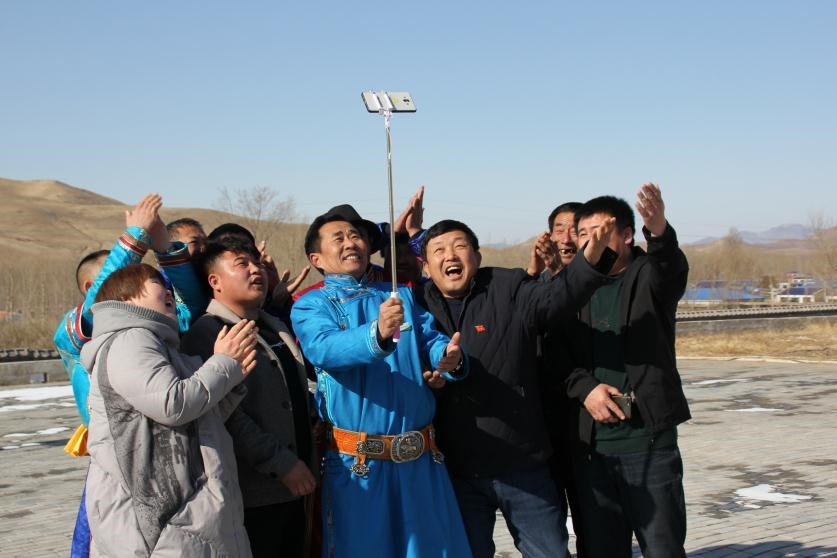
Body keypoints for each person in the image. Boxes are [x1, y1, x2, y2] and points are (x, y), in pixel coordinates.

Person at [413, 216, 616, 558]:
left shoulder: (508, 287)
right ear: (426, 266)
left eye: (460, 246)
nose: (451, 256)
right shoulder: (416, 304)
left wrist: (590, 261)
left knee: (549, 553)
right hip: (455, 470)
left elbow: (558, 297)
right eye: (439, 250)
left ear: (477, 257)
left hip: (522, 464)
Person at [290, 204, 473, 558]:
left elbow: (429, 338)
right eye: (339, 238)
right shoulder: (311, 305)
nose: (351, 243)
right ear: (317, 258)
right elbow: (325, 348)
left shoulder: (398, 295)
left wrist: (448, 356)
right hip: (359, 465)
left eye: (356, 236)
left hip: (421, 461)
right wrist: (377, 333)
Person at [53, 194, 202, 557]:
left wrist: (165, 249)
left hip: (175, 462)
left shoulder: (155, 331)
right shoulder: (75, 333)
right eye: (123, 282)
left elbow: (192, 306)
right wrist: (134, 238)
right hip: (121, 470)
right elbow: (97, 310)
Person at [79, 263, 258, 557]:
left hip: (186, 513)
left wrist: (231, 377)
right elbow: (172, 404)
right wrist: (223, 364)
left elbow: (198, 419)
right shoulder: (130, 338)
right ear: (125, 300)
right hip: (159, 519)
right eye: (155, 284)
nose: (168, 292)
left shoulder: (164, 348)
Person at [565, 184, 690, 558]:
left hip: (648, 444)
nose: (593, 242)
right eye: (584, 234)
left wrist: (660, 232)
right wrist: (585, 388)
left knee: (663, 548)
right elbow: (558, 357)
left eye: (602, 232)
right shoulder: (571, 289)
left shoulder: (648, 275)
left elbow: (669, 267)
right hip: (592, 452)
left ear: (627, 235)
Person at [182, 237, 317, 558]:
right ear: (214, 281)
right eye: (241, 264)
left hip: (298, 482)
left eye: (256, 263)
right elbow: (226, 414)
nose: (256, 270)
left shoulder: (272, 325)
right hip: (254, 491)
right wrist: (281, 463)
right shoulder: (208, 333)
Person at [528, 200, 589, 558]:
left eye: (575, 230)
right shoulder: (534, 285)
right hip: (545, 426)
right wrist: (538, 272)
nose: (566, 238)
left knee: (593, 522)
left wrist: (555, 273)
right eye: (559, 230)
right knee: (549, 527)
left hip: (587, 423)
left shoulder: (598, 283)